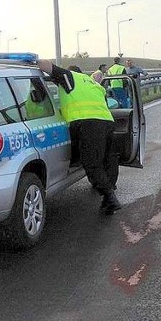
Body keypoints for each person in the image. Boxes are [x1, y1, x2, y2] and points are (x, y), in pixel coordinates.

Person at [36, 60, 122, 214]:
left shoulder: (69, 76)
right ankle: (109, 194)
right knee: (107, 158)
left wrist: (30, 59)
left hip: (87, 123)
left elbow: (45, 65)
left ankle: (110, 197)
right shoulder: (91, 82)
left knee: (92, 163)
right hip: (107, 121)